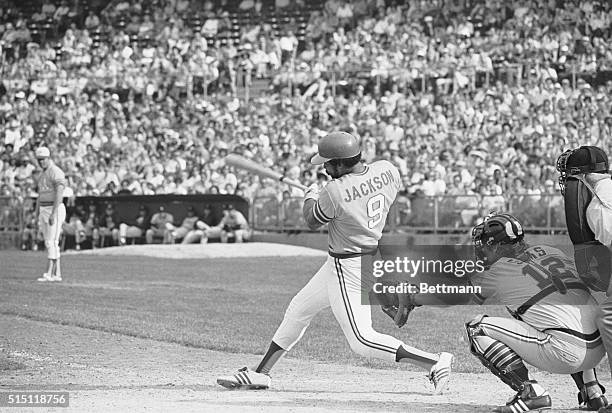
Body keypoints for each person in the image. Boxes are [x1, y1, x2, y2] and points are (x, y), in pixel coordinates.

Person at [216, 131, 453, 392]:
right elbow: (362, 192)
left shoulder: (334, 191)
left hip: (349, 265)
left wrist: (310, 197)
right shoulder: (387, 169)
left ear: (341, 163)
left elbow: (312, 219)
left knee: (361, 340)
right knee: (299, 309)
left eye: (328, 164)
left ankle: (434, 362)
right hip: (364, 255)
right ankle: (262, 373)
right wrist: (330, 194)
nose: (325, 169)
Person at [464, 213, 607, 412]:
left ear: (497, 246)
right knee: (564, 311)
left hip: (566, 351)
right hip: (600, 348)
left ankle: (531, 393)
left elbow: (463, 296)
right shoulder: (552, 250)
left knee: (477, 328)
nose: (483, 249)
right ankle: (592, 391)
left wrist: (414, 298)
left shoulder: (497, 269)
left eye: (486, 245)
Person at [556, 146, 612, 413]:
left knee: (605, 317)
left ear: (583, 175)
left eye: (570, 174)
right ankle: (590, 389)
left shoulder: (597, 205)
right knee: (584, 310)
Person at [34, 147, 66, 282]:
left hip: (54, 208)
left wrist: (54, 212)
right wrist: (36, 214)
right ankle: (56, 273)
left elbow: (59, 193)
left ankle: (49, 272)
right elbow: (40, 196)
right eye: (39, 160)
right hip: (43, 208)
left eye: (43, 159)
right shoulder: (42, 174)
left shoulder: (56, 172)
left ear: (48, 158)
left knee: (51, 241)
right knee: (50, 241)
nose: (41, 162)